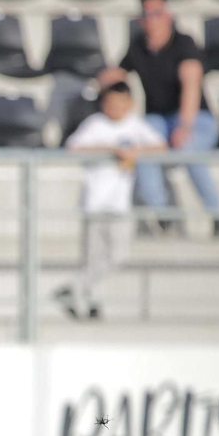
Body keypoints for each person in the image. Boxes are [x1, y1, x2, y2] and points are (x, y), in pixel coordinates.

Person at [97, 0, 219, 235]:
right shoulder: (139, 47)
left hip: (195, 117)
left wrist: (185, 125)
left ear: (168, 16)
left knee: (188, 149)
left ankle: (217, 213)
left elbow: (191, 85)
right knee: (140, 146)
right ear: (141, 20)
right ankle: (162, 212)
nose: (153, 19)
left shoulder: (184, 43)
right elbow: (116, 74)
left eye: (158, 13)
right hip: (159, 119)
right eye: (148, 15)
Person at [53, 82, 169, 318]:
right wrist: (111, 150)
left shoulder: (134, 125)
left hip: (119, 204)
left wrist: (136, 151)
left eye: (119, 103)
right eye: (110, 103)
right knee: (92, 257)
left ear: (130, 104)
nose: (114, 108)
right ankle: (91, 303)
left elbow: (161, 147)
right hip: (94, 203)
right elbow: (73, 148)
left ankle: (73, 288)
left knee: (118, 256)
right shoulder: (95, 124)